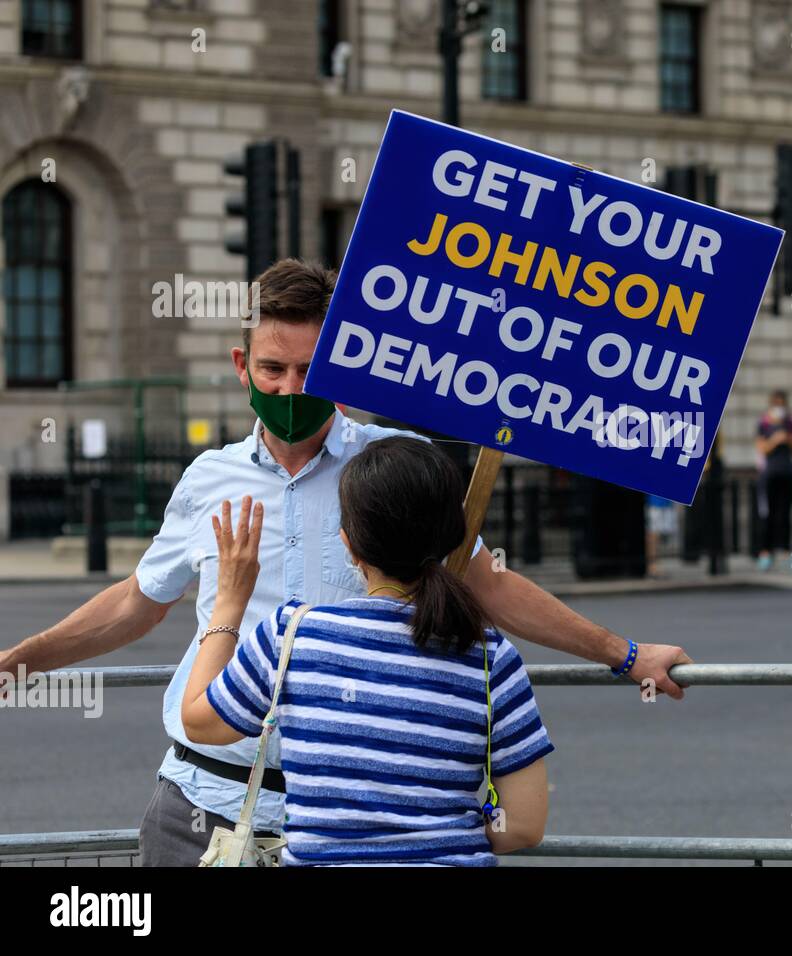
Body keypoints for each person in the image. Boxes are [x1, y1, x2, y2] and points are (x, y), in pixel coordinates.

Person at [0, 258, 692, 866]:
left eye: (312, 369)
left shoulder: (389, 465)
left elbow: (490, 585)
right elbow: (136, 602)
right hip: (201, 804)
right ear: (243, 367)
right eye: (273, 368)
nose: (293, 387)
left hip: (333, 826)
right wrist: (23, 662)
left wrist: (623, 653)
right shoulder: (206, 478)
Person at [182, 438, 552, 865]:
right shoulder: (491, 657)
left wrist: (230, 599)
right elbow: (524, 824)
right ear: (456, 539)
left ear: (348, 543)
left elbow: (199, 722)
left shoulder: (293, 636)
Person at [754, 390, 792, 571]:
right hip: (769, 473)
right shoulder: (764, 424)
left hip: (787, 472)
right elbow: (762, 448)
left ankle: (786, 551)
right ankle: (766, 552)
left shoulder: (790, 424)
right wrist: (774, 439)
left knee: (785, 513)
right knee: (768, 514)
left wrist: (787, 438)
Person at [645, 494, 677, 577]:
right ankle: (652, 565)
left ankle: (655, 564)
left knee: (658, 536)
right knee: (653, 534)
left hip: (665, 502)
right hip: (654, 503)